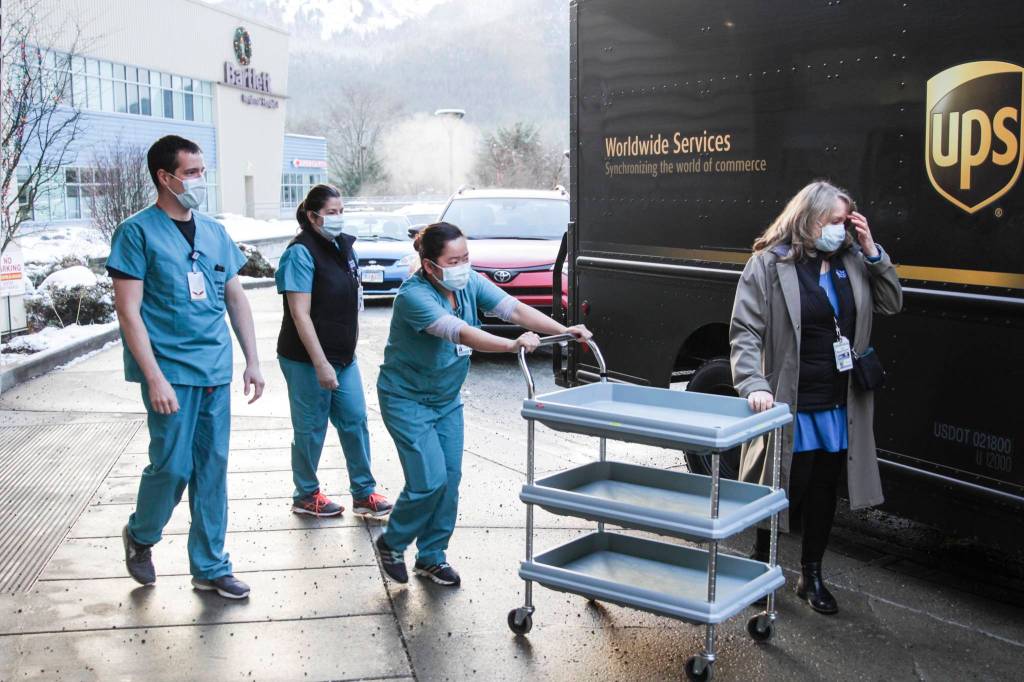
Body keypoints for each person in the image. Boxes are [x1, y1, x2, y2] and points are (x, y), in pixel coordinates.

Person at [374, 222, 591, 586]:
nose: (463, 266)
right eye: (454, 260)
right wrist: (510, 346)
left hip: (445, 399)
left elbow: (514, 309)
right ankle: (392, 543)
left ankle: (431, 556)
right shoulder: (414, 297)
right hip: (406, 399)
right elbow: (459, 332)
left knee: (450, 481)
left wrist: (563, 331)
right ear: (430, 266)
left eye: (466, 258)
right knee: (428, 482)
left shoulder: (469, 282)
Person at [730, 180, 902, 615]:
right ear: (808, 219)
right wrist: (754, 383)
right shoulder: (768, 264)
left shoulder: (853, 260)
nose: (841, 230)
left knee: (825, 488)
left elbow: (891, 303)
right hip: (790, 397)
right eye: (834, 221)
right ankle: (761, 563)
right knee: (784, 485)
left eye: (847, 221)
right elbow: (745, 331)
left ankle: (812, 573)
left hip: (838, 399)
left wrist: (872, 250)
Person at [107, 135, 265, 600]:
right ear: (165, 177)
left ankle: (211, 566)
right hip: (170, 371)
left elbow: (234, 295)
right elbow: (128, 312)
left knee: (212, 469)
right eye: (191, 172)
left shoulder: (214, 232)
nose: (200, 180)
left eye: (201, 171)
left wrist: (252, 359)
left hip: (214, 367)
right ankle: (141, 534)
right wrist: (153, 376)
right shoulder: (136, 232)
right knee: (173, 467)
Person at [275, 184, 392, 518]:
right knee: (311, 427)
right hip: (306, 358)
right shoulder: (301, 252)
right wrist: (321, 363)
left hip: (343, 356)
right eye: (331, 213)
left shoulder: (343, 246)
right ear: (313, 216)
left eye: (341, 211)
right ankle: (306, 493)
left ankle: (364, 492)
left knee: (355, 419)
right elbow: (299, 313)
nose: (338, 218)